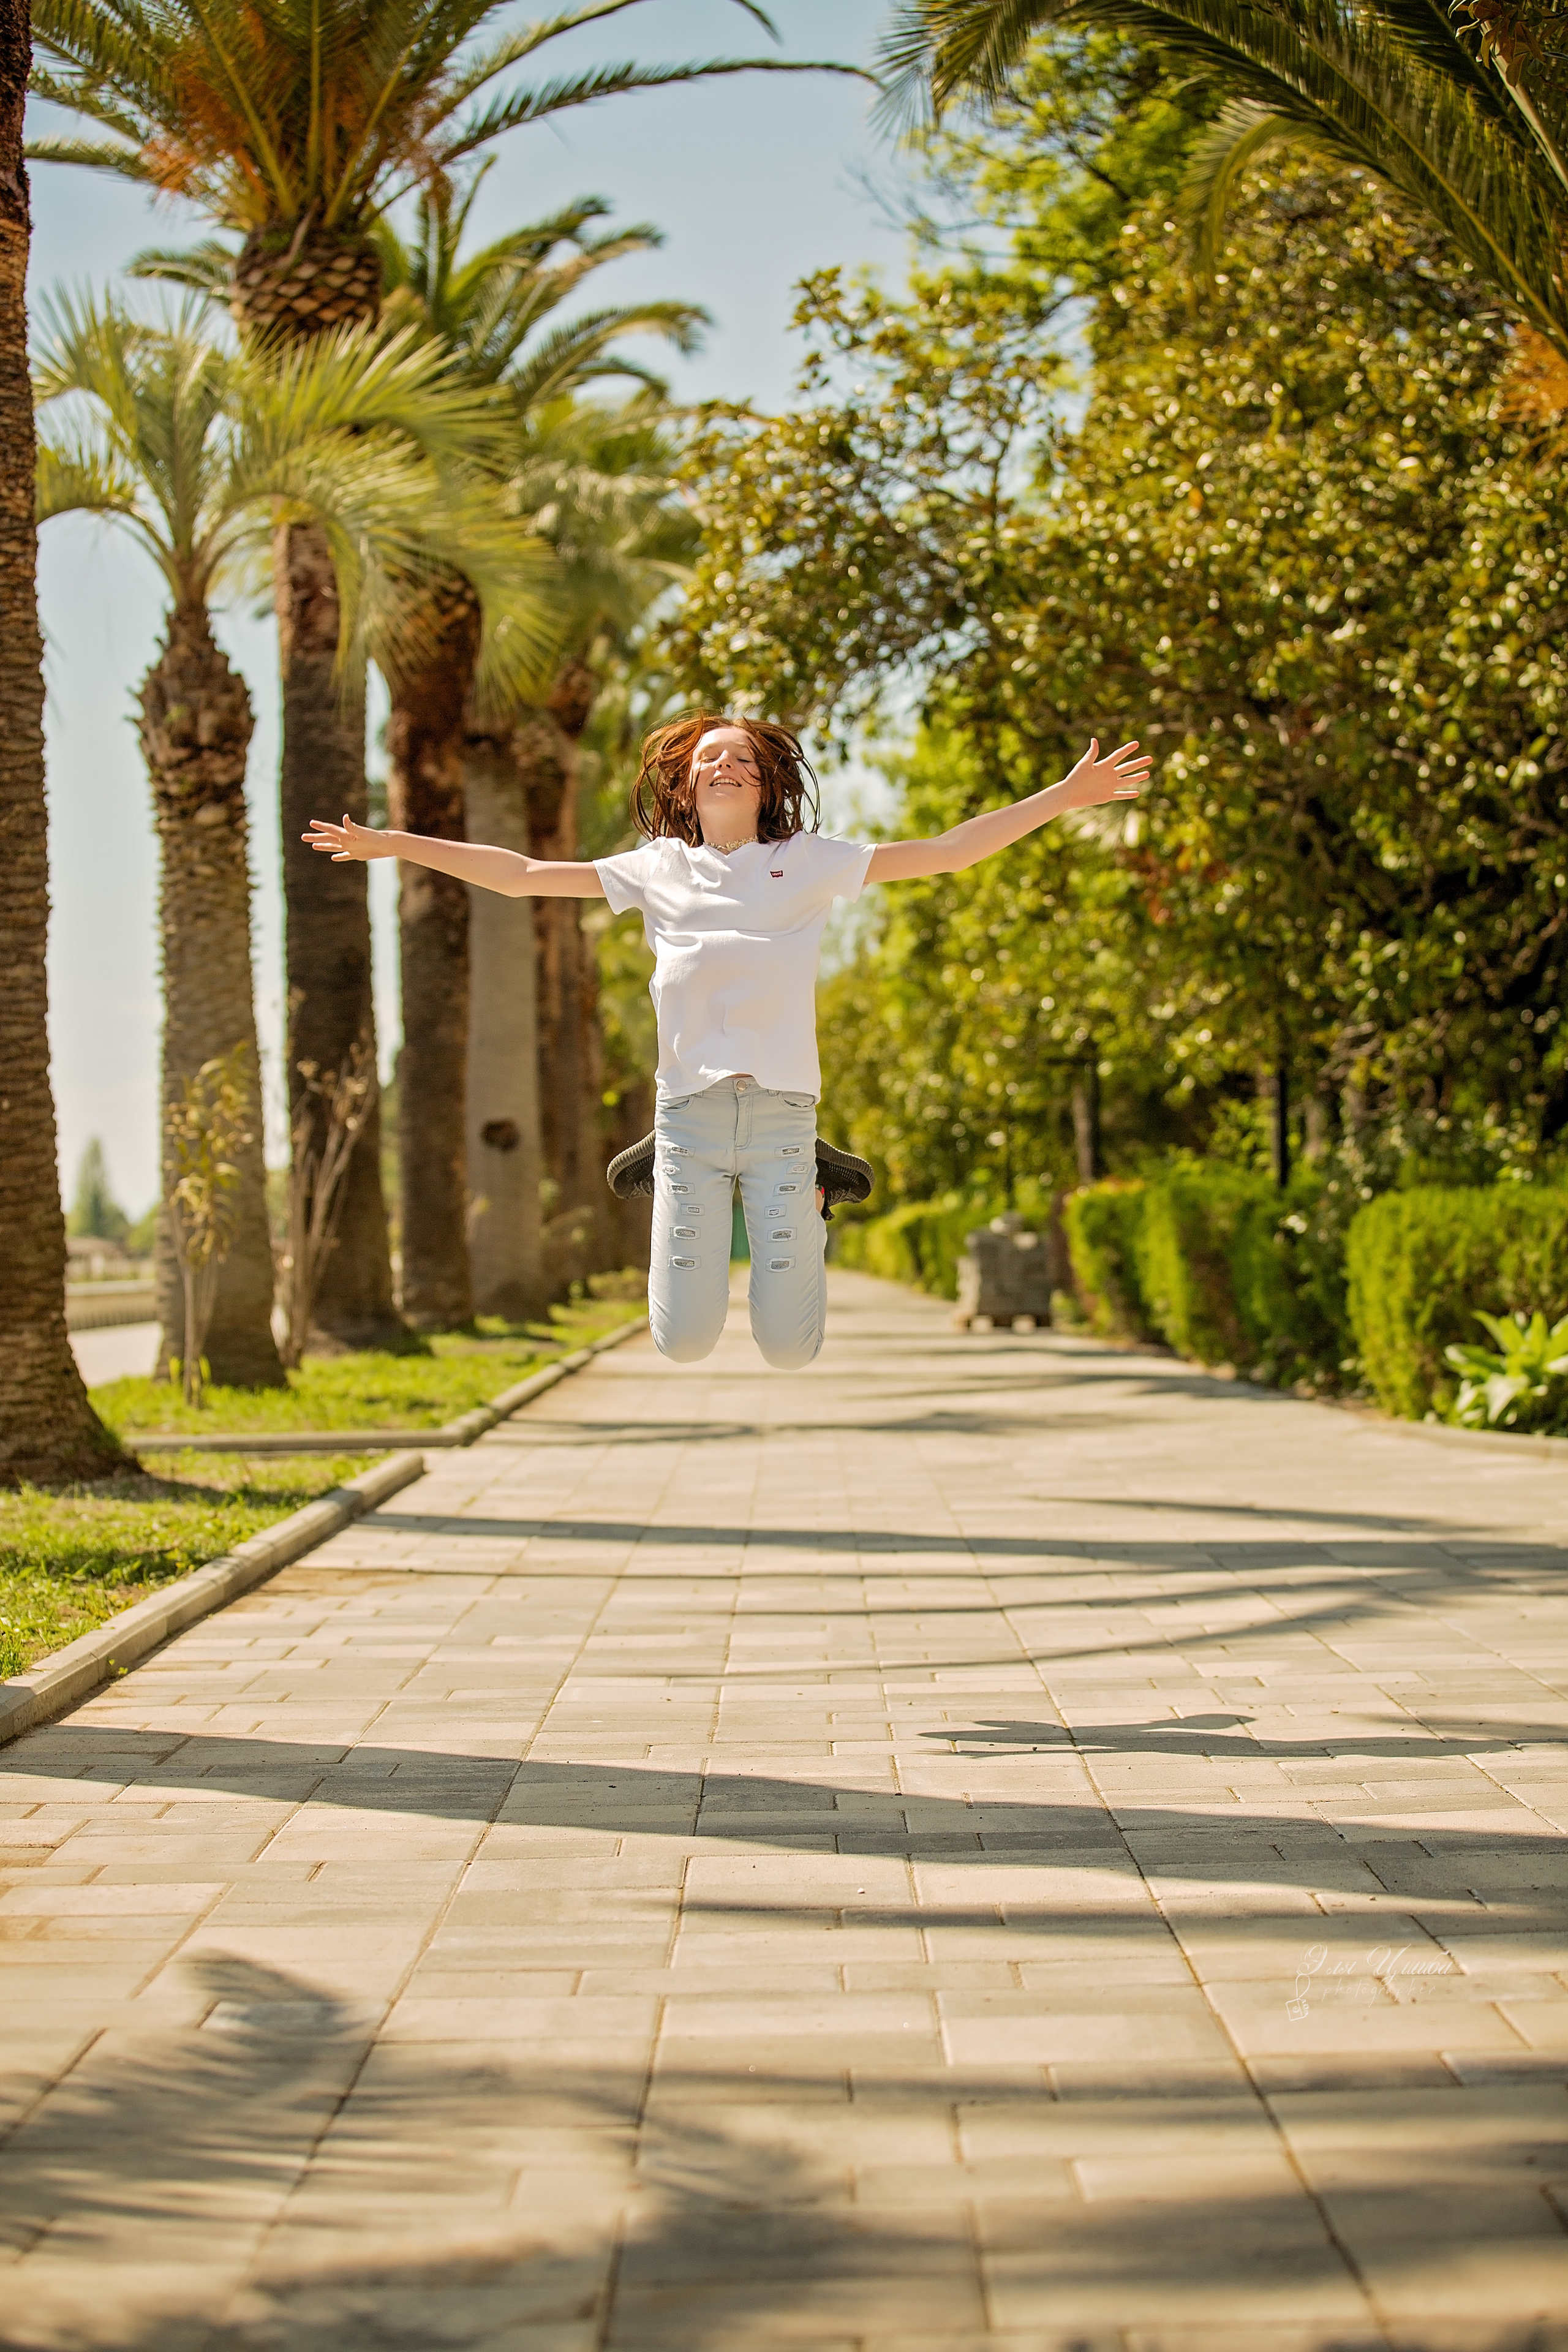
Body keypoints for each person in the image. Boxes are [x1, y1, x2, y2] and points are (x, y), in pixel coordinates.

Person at [304, 710, 1150, 1372]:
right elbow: (522, 876)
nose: (724, 762)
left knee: (788, 1348)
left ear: (766, 780)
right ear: (685, 782)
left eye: (742, 755)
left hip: (782, 1119)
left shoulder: (810, 861)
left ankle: (815, 1197)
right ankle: (667, 1167)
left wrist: (1064, 797)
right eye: (708, 755)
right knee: (684, 1342)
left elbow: (950, 852)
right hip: (689, 1124)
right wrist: (390, 844)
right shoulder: (656, 870)